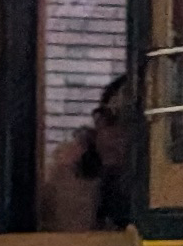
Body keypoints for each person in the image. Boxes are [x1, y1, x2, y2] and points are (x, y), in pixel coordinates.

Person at [40, 75, 138, 232]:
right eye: (107, 120)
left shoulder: (148, 185)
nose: (112, 134)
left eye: (126, 124)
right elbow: (75, 238)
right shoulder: (73, 168)